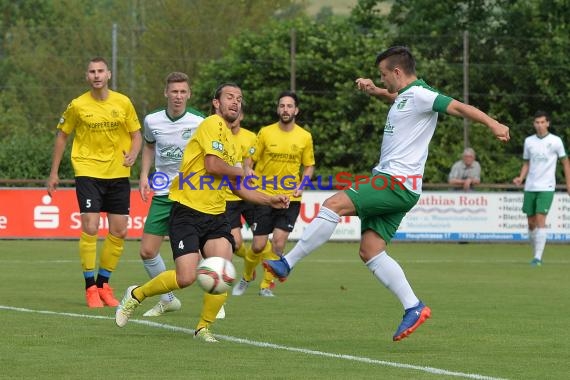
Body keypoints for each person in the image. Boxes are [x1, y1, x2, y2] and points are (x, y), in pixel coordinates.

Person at [264, 46, 510, 341]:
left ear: (397, 72)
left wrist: (493, 124)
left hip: (395, 182)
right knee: (370, 251)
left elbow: (458, 107)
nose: (382, 80)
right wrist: (374, 90)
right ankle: (414, 307)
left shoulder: (422, 95)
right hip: (397, 183)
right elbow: (394, 96)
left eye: (383, 75)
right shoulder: (406, 96)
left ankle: (287, 263)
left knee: (333, 204)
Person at [115, 83, 290, 343]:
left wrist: (269, 200)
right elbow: (212, 165)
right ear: (216, 103)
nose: (235, 102)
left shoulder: (233, 142)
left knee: (222, 271)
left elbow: (237, 188)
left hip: (216, 215)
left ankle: (203, 327)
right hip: (187, 211)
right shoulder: (210, 123)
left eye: (239, 99)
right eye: (229, 97)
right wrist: (243, 171)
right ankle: (136, 295)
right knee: (185, 277)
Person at [46, 56, 142, 308]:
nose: (97, 75)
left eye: (101, 71)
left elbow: (136, 135)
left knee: (120, 230)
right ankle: (90, 288)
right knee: (90, 225)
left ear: (108, 74)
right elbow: (62, 136)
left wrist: (133, 153)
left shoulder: (123, 102)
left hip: (118, 173)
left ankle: (104, 284)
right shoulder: (78, 105)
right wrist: (54, 173)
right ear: (87, 76)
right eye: (92, 71)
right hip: (88, 170)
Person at [232, 90, 315, 297]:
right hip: (264, 196)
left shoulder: (305, 136)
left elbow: (309, 166)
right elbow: (250, 159)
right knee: (259, 246)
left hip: (290, 198)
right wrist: (248, 169)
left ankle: (266, 285)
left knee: (278, 242)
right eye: (282, 106)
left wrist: (303, 184)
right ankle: (247, 276)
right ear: (278, 109)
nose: (285, 109)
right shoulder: (266, 132)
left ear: (296, 110)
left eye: (289, 106)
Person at [138, 72, 205, 317]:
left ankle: (216, 300)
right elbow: (148, 145)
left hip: (191, 193)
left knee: (203, 251)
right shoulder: (152, 120)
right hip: (163, 191)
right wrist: (144, 174)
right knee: (147, 251)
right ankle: (167, 299)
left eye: (182, 92)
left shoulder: (200, 121)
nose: (178, 96)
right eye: (174, 91)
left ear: (189, 94)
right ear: (166, 93)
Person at [512, 110, 570, 267]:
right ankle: (535, 252)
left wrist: (568, 183)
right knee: (530, 223)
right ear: (534, 124)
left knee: (540, 219)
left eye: (542, 122)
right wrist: (520, 178)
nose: (539, 125)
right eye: (537, 122)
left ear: (548, 123)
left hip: (547, 186)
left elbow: (565, 162)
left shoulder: (556, 141)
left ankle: (538, 257)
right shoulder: (529, 141)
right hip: (530, 186)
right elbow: (526, 163)